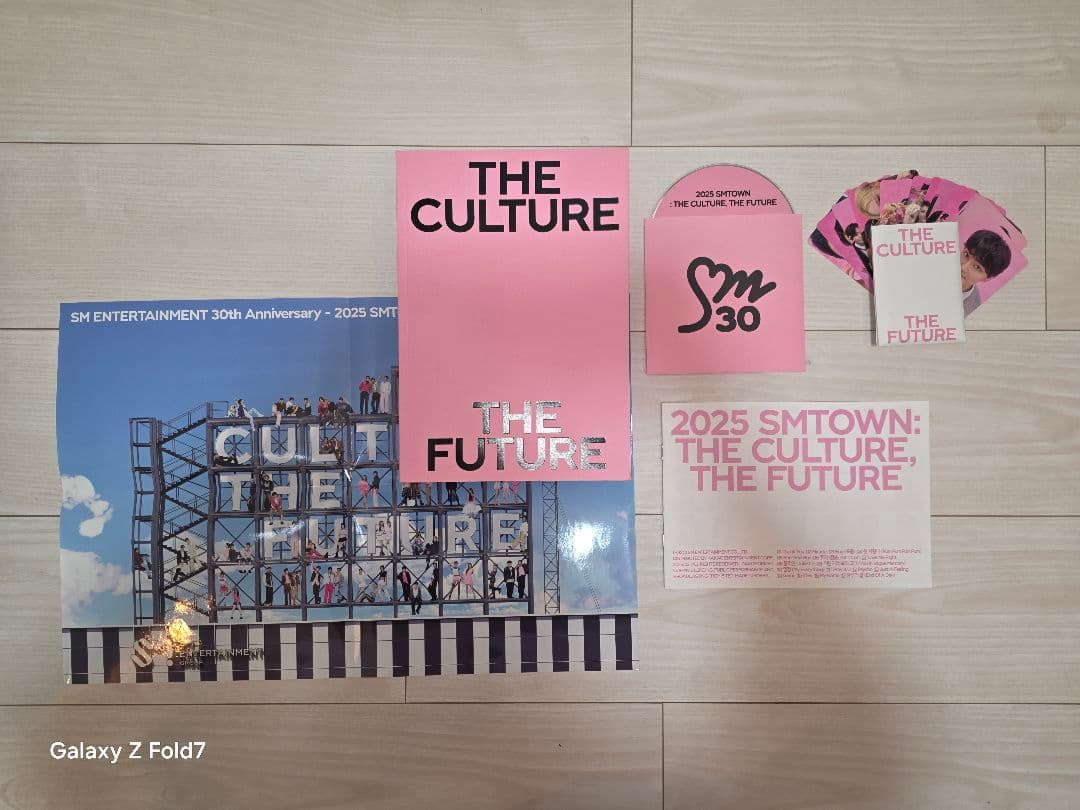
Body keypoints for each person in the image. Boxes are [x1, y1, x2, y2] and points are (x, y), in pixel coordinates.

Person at [961, 229, 1011, 316]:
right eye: (966, 255)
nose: (963, 268)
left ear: (988, 278)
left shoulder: (975, 308)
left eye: (977, 267)